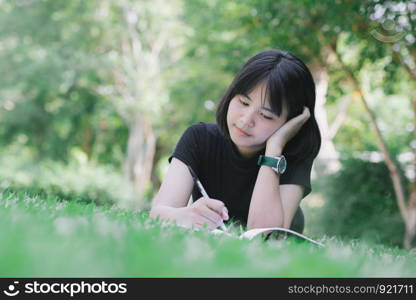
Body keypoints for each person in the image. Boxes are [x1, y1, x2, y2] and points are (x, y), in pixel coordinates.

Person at [150, 49, 321, 234]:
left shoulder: (295, 153)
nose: (246, 120)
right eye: (243, 102)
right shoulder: (199, 138)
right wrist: (186, 215)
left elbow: (266, 233)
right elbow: (159, 213)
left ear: (290, 123)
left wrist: (274, 151)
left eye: (265, 115)